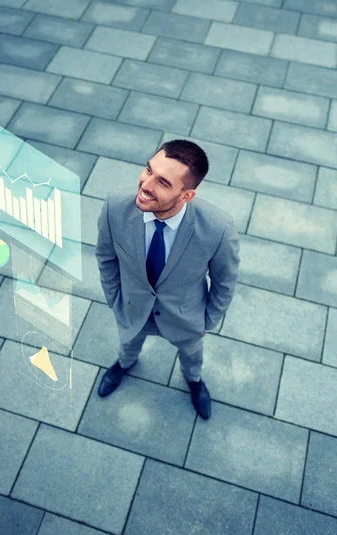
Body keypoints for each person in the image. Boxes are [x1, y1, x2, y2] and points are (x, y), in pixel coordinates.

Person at [95, 139, 240, 420]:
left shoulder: (218, 228)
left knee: (192, 356)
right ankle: (124, 365)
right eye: (148, 170)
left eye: (163, 182)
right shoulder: (115, 206)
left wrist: (208, 321)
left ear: (186, 196)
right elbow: (105, 256)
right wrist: (115, 299)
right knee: (128, 344)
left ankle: (195, 382)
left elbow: (225, 281)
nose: (146, 185)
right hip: (133, 308)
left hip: (186, 317)